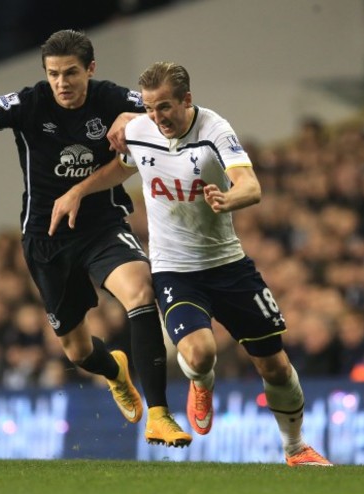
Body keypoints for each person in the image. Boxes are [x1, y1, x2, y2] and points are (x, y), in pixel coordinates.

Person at [0, 30, 191, 447]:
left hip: (103, 225)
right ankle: (115, 371)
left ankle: (159, 414)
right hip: (47, 238)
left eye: (71, 73)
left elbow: (170, 116)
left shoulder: (112, 98)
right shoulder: (29, 103)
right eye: (54, 74)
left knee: (139, 291)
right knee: (78, 353)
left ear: (90, 70)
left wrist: (133, 118)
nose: (62, 83)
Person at [49, 61, 333, 466]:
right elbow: (122, 168)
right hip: (174, 269)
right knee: (199, 353)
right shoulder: (138, 130)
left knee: (275, 366)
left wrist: (229, 198)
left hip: (228, 265)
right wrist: (78, 190)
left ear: (187, 99)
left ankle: (295, 447)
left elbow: (250, 185)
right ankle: (201, 381)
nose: (157, 117)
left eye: (164, 106)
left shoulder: (215, 130)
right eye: (148, 107)